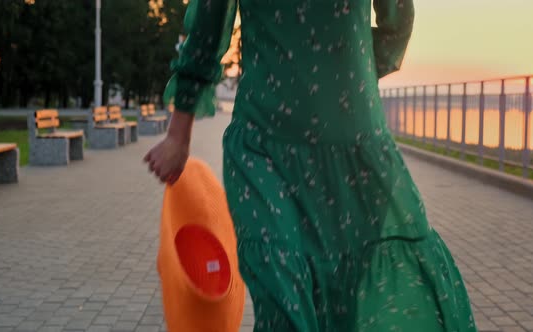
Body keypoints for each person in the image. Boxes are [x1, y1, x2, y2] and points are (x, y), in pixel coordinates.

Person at [144, 0, 478, 330]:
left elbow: (398, 20)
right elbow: (206, 32)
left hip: (355, 154)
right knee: (280, 289)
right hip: (261, 147)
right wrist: (178, 136)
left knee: (345, 302)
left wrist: (345, 74)